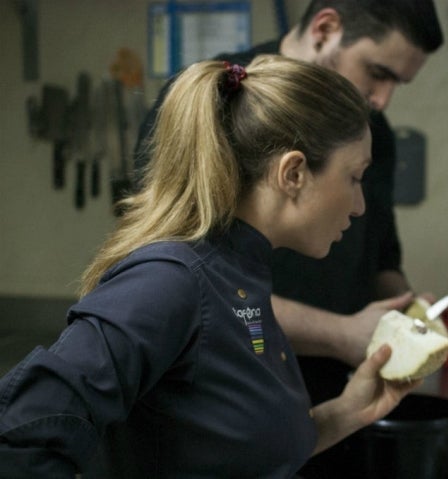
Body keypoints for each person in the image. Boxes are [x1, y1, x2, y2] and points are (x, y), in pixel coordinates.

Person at [0, 55, 420, 478]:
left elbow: (237, 450)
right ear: (293, 173)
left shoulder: (240, 277)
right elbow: (24, 432)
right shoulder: (169, 282)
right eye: (354, 177)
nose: (360, 204)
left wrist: (349, 410)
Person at [134, 0, 444, 405]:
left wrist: (412, 316)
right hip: (226, 399)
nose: (382, 100)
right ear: (325, 29)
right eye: (377, 73)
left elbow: (379, 254)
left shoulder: (375, 134)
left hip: (336, 395)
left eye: (396, 84)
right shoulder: (219, 104)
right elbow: (189, 285)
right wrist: (341, 334)